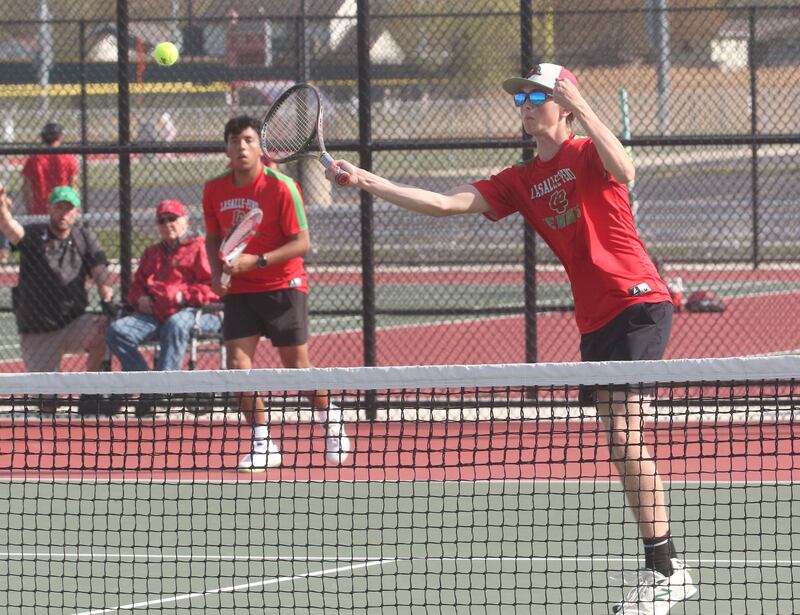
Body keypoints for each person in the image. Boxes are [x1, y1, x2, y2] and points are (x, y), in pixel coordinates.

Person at [323, 64, 696, 614]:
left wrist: (587, 108)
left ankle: (665, 572)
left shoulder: (589, 153)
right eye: (520, 95)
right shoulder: (518, 181)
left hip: (639, 301)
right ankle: (666, 568)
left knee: (622, 428)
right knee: (619, 441)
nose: (524, 102)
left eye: (536, 94)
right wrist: (368, 181)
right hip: (593, 322)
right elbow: (445, 203)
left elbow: (628, 168)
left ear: (562, 103)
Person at [203, 115, 351, 471]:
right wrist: (216, 273)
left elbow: (302, 243)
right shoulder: (214, 189)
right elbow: (212, 237)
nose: (241, 147)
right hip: (239, 290)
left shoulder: (282, 187)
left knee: (295, 367)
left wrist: (257, 261)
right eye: (235, 140)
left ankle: (331, 421)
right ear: (226, 147)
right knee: (238, 368)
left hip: (283, 285)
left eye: (249, 140)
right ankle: (262, 442)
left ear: (260, 147)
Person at [0, 184, 113, 404]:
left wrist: (106, 297)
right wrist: (2, 207)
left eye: (68, 209)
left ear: (76, 212)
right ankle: (48, 400)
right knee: (47, 405)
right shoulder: (34, 233)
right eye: (59, 207)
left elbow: (100, 270)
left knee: (107, 330)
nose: (63, 213)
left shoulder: (84, 237)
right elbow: (10, 228)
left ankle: (91, 393)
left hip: (74, 323)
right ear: (50, 209)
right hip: (37, 329)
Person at [106, 199, 221, 414]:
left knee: (176, 324)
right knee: (117, 331)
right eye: (162, 220)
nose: (168, 224)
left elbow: (213, 289)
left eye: (172, 219)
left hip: (197, 313)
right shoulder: (152, 253)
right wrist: (139, 299)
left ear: (185, 220)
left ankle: (162, 389)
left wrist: (182, 296)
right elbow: (135, 287)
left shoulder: (200, 248)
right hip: (156, 315)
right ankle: (149, 387)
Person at [21, 122, 79, 216]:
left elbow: (27, 187)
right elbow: (73, 185)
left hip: (40, 208)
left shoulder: (34, 158)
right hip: (62, 207)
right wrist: (76, 207)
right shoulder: (68, 157)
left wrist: (29, 208)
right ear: (60, 136)